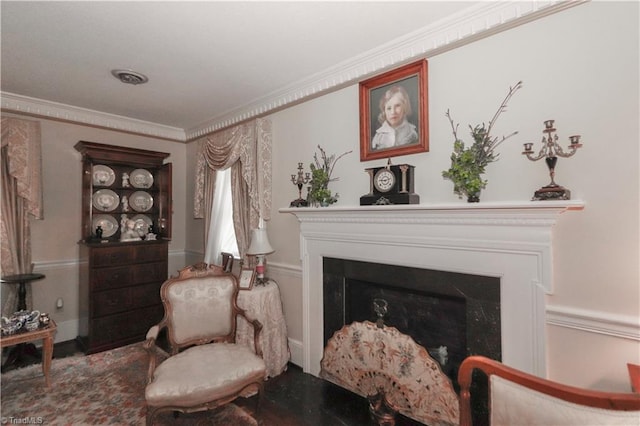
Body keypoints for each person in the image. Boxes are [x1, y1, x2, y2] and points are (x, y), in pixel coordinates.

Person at [371, 85, 418, 150]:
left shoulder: (412, 133)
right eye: (389, 108)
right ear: (384, 111)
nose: (393, 112)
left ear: (405, 107)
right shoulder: (379, 136)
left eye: (397, 106)